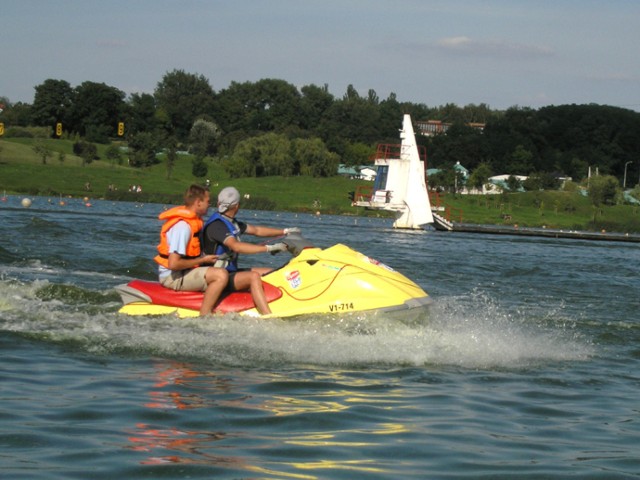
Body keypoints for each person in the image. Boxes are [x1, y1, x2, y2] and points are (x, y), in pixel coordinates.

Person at [201, 186, 300, 315]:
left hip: (230, 272)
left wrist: (285, 231)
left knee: (271, 272)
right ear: (237, 206)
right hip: (217, 276)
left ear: (219, 203)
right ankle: (267, 316)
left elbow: (257, 230)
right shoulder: (217, 226)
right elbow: (236, 246)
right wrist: (269, 248)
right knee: (253, 277)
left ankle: (283, 302)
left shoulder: (232, 223)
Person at [154, 184, 228, 316]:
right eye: (207, 201)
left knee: (224, 271)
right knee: (220, 275)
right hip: (172, 277)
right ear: (198, 203)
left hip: (185, 271)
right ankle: (205, 315)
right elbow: (173, 264)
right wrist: (202, 260)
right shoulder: (182, 227)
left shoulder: (195, 222)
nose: (209, 205)